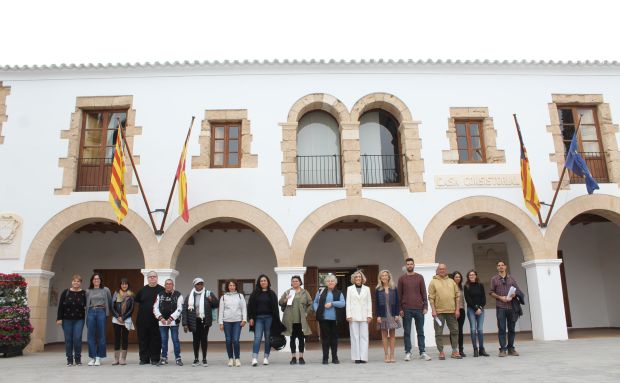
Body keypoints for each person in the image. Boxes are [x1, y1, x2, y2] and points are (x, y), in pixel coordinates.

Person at [397, 258, 431, 361]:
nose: (410, 266)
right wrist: (400, 309)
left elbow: (424, 292)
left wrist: (425, 306)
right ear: (406, 266)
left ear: (414, 265)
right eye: (408, 264)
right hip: (406, 309)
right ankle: (408, 352)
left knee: (420, 331)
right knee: (407, 332)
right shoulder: (401, 279)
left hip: (419, 309)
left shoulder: (420, 277)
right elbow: (399, 295)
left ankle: (423, 352)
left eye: (411, 264)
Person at [490, 260, 524, 357]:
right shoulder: (494, 279)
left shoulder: (511, 279)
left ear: (505, 267)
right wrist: (500, 297)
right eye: (499, 265)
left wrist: (514, 294)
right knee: (501, 329)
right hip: (501, 307)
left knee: (512, 329)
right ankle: (502, 349)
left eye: (502, 265)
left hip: (511, 307)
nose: (500, 267)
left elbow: (518, 290)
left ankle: (511, 348)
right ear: (497, 267)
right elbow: (491, 292)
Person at [247, 274, 282, 367]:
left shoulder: (272, 294)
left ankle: (266, 358)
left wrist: (276, 321)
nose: (263, 282)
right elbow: (249, 306)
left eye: (265, 280)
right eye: (261, 281)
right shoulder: (254, 294)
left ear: (268, 282)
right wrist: (250, 318)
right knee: (257, 338)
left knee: (268, 338)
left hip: (269, 318)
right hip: (258, 318)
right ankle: (254, 358)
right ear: (259, 282)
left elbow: (276, 309)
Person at [428, 263, 461, 360]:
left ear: (446, 270)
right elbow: (431, 297)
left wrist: (457, 309)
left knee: (455, 331)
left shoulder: (452, 281)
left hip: (451, 311)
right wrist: (433, 310)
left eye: (443, 269)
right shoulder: (433, 282)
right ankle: (441, 352)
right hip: (439, 312)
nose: (442, 270)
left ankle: (455, 351)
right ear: (437, 270)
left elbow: (457, 296)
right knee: (438, 333)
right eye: (440, 269)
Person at [182, 277, 218, 367]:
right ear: (194, 285)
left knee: (204, 339)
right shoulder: (190, 295)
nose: (200, 285)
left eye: (201, 284)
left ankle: (204, 359)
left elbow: (216, 304)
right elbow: (185, 310)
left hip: (205, 320)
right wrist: (185, 324)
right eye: (198, 284)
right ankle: (196, 359)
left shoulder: (208, 293)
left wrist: (211, 300)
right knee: (195, 340)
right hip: (194, 320)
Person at [279, 275, 313, 365]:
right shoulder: (288, 292)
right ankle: (293, 357)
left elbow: (310, 303)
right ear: (291, 282)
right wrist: (285, 299)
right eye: (293, 281)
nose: (295, 282)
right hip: (290, 320)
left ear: (300, 282)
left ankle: (301, 357)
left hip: (301, 320)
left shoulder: (304, 292)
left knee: (301, 339)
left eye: (296, 281)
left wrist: (306, 312)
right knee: (292, 339)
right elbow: (280, 302)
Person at [313, 274, 345, 364]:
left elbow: (343, 303)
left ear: (335, 283)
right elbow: (315, 302)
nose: (330, 282)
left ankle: (335, 358)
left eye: (332, 281)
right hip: (323, 319)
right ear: (326, 283)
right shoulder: (320, 291)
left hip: (335, 319)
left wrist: (332, 303)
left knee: (334, 339)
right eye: (328, 281)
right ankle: (325, 358)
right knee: (325, 339)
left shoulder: (339, 293)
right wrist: (317, 310)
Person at [135, 271, 164, 365]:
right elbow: (137, 302)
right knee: (143, 339)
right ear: (147, 278)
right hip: (142, 320)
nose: (152, 278)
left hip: (156, 320)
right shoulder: (142, 290)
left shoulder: (162, 290)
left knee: (156, 340)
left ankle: (155, 358)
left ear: (157, 278)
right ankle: (144, 359)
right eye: (150, 277)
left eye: (154, 276)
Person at [56, 274, 87, 366]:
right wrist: (59, 318)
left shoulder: (84, 293)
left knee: (77, 338)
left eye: (78, 281)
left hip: (79, 319)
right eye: (74, 281)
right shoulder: (65, 292)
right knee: (68, 339)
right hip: (66, 320)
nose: (76, 283)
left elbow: (87, 305)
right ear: (72, 282)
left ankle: (78, 359)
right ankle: (69, 360)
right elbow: (60, 306)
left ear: (80, 283)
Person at [154, 278, 184, 366]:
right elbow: (155, 307)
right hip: (162, 322)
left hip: (174, 322)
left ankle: (178, 358)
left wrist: (171, 318)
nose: (168, 285)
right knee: (163, 340)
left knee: (175, 340)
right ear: (164, 285)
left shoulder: (178, 295)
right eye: (167, 284)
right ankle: (163, 358)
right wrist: (161, 318)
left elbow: (179, 308)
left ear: (173, 285)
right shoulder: (160, 294)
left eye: (170, 284)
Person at [85, 272, 113, 366]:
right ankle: (92, 357)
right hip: (91, 312)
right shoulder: (88, 291)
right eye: (94, 279)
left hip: (101, 311)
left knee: (101, 335)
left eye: (98, 279)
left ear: (100, 280)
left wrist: (108, 313)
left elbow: (109, 301)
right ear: (92, 281)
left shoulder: (106, 290)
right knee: (90, 336)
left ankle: (98, 357)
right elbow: (86, 303)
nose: (96, 280)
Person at [218, 279, 247, 367]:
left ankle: (237, 359)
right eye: (230, 285)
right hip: (226, 321)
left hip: (237, 321)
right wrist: (221, 323)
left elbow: (244, 308)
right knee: (228, 340)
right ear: (227, 286)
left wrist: (244, 319)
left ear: (236, 286)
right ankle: (230, 358)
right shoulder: (223, 297)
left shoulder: (240, 296)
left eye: (233, 285)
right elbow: (221, 311)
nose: (232, 287)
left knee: (235, 340)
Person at [346, 270, 372, 364]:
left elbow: (369, 302)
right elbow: (348, 303)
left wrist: (369, 315)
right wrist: (348, 315)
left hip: (364, 316)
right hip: (353, 317)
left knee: (364, 337)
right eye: (356, 277)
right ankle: (357, 357)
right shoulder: (350, 289)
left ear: (362, 278)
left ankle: (364, 357)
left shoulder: (367, 288)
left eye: (359, 277)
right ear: (353, 278)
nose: (358, 278)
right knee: (355, 337)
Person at [375, 270, 401, 363]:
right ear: (380, 278)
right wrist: (378, 315)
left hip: (393, 314)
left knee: (393, 335)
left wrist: (397, 314)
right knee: (384, 335)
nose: (384, 277)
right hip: (383, 314)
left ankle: (392, 355)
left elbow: (398, 302)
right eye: (382, 275)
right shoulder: (378, 289)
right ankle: (386, 355)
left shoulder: (394, 288)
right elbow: (376, 304)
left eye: (386, 275)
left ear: (389, 277)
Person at [464, 269, 488, 357]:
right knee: (473, 329)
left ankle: (482, 349)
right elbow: (468, 299)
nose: (472, 276)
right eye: (470, 275)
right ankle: (475, 349)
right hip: (471, 309)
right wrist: (475, 308)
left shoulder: (480, 285)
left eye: (473, 274)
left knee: (480, 330)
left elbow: (483, 298)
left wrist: (480, 308)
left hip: (481, 309)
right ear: (468, 277)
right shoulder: (466, 286)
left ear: (476, 276)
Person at [111, 278, 134, 365]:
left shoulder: (131, 295)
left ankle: (123, 359)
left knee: (125, 338)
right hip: (116, 319)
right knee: (117, 338)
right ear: (120, 285)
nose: (124, 285)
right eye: (122, 284)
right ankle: (116, 359)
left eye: (126, 284)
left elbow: (131, 309)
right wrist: (118, 316)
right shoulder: (116, 294)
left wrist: (123, 317)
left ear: (128, 285)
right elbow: (112, 306)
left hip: (126, 320)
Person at [450, 271, 466, 357]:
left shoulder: (462, 287)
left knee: (460, 330)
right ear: (453, 278)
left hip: (462, 310)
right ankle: (454, 350)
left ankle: (461, 350)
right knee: (453, 331)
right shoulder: (450, 287)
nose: (458, 278)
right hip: (452, 311)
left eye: (459, 277)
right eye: (456, 277)